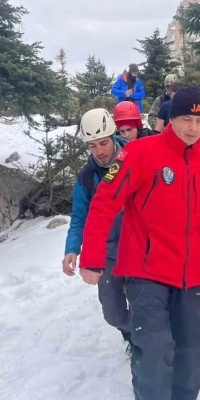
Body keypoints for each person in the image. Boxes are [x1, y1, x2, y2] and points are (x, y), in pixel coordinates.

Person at [76, 84, 200, 400]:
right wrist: (93, 258)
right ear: (169, 120)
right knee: (155, 357)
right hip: (145, 274)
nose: (192, 127)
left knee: (191, 362)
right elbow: (104, 204)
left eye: (199, 119)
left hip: (189, 277)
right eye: (185, 119)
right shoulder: (140, 154)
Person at [61, 108, 131, 350]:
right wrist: (72, 248)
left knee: (148, 304)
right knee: (113, 313)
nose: (100, 151)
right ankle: (131, 335)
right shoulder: (87, 177)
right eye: (93, 146)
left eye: (103, 143)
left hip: (139, 247)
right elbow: (80, 217)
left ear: (113, 137)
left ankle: (145, 342)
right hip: (109, 253)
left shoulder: (135, 158)